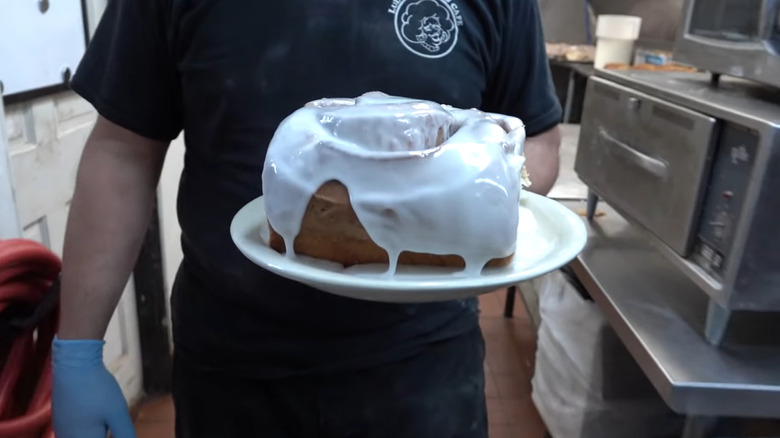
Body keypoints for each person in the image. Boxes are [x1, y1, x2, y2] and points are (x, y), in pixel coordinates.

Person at [51, 0, 562, 437]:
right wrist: (76, 351)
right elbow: (122, 150)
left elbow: (537, 139)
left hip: (423, 367)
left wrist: (480, 191)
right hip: (232, 368)